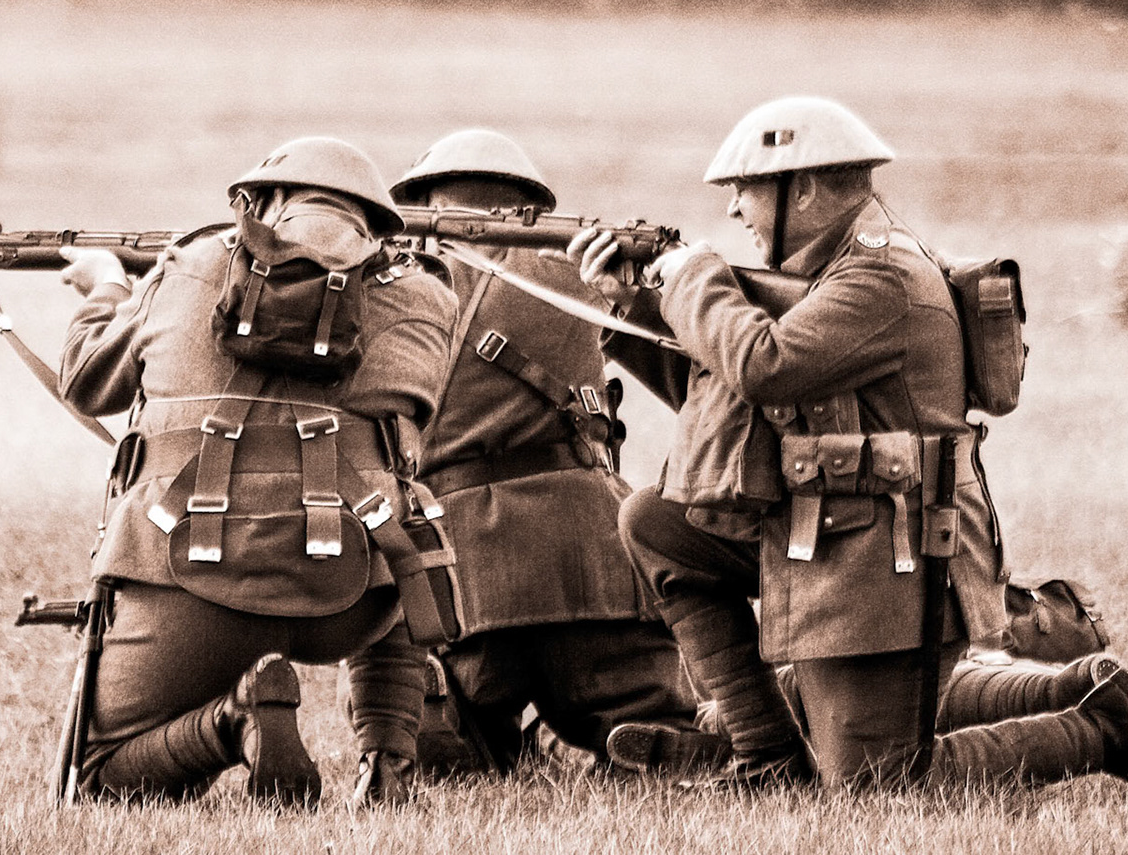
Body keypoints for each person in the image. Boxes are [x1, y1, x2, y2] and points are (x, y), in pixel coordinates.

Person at [576, 95, 1128, 788]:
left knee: (878, 782)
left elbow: (766, 366)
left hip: (893, 559)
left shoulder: (880, 277)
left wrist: (694, 276)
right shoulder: (827, 275)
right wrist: (631, 304)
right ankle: (767, 756)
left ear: (808, 188)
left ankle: (1097, 723)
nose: (734, 211)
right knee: (657, 522)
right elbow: (729, 397)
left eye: (744, 191)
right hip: (831, 538)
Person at [54, 136, 458, 805]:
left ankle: (237, 719)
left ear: (259, 205)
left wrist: (107, 285)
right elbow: (413, 439)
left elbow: (88, 382)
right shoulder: (426, 297)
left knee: (98, 776)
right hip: (354, 593)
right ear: (377, 225)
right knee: (400, 519)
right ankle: (388, 762)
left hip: (188, 575)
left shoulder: (188, 264)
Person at [340, 129, 697, 803]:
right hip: (595, 571)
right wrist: (638, 297)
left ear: (416, 206)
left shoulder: (388, 289)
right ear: (531, 205)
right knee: (652, 714)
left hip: (456, 587)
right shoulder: (581, 272)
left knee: (407, 688)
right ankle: (659, 737)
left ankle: (446, 717)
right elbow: (696, 384)